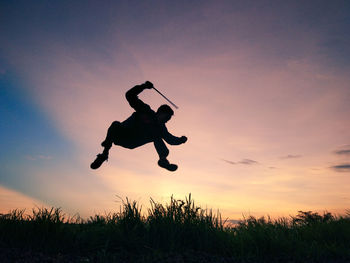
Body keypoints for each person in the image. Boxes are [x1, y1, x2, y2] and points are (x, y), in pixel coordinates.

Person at [90, 81, 187, 171]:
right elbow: (130, 95)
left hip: (133, 141)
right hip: (122, 134)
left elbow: (170, 139)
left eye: (168, 119)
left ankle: (163, 160)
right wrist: (143, 86)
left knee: (156, 135)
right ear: (160, 112)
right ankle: (104, 154)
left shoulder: (161, 127)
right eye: (166, 118)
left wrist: (181, 140)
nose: (167, 121)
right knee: (115, 124)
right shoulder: (145, 110)